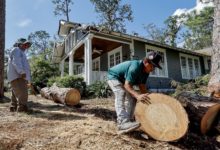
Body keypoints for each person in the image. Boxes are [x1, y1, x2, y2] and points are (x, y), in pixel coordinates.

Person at [107, 51, 162, 134]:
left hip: (124, 81)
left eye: (155, 67)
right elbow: (127, 85)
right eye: (152, 66)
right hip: (114, 77)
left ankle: (129, 120)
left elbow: (142, 87)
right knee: (121, 92)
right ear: (146, 62)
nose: (153, 69)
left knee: (133, 99)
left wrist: (150, 101)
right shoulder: (135, 67)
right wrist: (137, 95)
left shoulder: (146, 72)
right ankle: (122, 122)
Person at [7, 38, 32, 112]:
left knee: (15, 92)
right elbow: (16, 61)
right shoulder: (16, 50)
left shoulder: (20, 52)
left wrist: (28, 78)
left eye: (27, 45)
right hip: (18, 76)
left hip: (17, 76)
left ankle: (13, 107)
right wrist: (21, 72)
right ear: (20, 44)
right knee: (23, 92)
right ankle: (22, 108)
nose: (26, 46)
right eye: (25, 44)